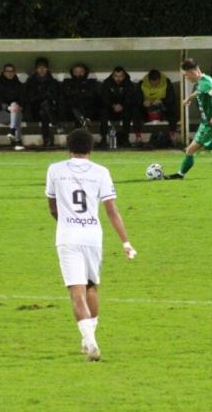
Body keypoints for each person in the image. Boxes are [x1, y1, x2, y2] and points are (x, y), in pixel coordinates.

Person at [45, 128, 136, 362]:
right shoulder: (101, 172)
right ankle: (89, 339)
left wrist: (66, 221)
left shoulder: (55, 170)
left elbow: (53, 206)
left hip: (68, 237)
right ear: (91, 148)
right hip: (93, 236)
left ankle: (90, 341)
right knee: (91, 287)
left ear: (68, 147)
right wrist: (125, 241)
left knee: (76, 293)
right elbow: (111, 210)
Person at [165, 59, 212, 180]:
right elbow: (199, 91)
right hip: (206, 123)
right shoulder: (202, 82)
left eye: (186, 75)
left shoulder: (206, 82)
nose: (186, 77)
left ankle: (180, 174)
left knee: (190, 150)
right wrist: (189, 97)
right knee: (204, 145)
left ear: (192, 72)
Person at [101, 66, 142, 147]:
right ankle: (103, 139)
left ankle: (126, 139)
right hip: (110, 108)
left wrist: (122, 105)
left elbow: (130, 98)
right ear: (113, 76)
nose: (118, 78)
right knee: (103, 111)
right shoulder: (107, 83)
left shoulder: (128, 84)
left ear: (124, 76)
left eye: (120, 76)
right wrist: (113, 105)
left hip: (124, 108)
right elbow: (104, 98)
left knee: (129, 113)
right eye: (116, 76)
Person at [25, 57, 62, 147]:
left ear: (47, 69)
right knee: (43, 107)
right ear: (36, 69)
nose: (42, 70)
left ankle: (46, 139)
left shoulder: (53, 82)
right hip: (35, 110)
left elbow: (57, 97)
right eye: (39, 67)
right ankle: (55, 124)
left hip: (50, 110)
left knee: (44, 110)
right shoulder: (30, 83)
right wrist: (44, 96)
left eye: (44, 67)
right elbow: (30, 98)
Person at [0, 63, 26, 150]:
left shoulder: (19, 85)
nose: (10, 73)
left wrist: (19, 107)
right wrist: (9, 108)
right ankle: (18, 141)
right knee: (17, 114)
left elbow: (22, 100)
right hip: (1, 113)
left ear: (15, 72)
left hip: (15, 112)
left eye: (12, 71)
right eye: (7, 71)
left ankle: (12, 132)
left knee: (15, 107)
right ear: (3, 72)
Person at [139, 69, 178, 143]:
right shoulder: (142, 84)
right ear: (149, 80)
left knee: (173, 108)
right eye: (152, 83)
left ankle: (172, 134)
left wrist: (162, 101)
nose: (154, 85)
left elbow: (171, 97)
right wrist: (143, 102)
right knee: (135, 109)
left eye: (156, 83)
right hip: (146, 109)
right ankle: (138, 137)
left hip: (163, 108)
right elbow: (137, 98)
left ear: (159, 80)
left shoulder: (167, 83)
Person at [61, 63, 99, 129]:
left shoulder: (90, 82)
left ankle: (82, 121)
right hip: (72, 108)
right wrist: (82, 91)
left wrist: (75, 92)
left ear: (85, 72)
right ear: (72, 73)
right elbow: (66, 93)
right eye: (76, 72)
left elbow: (91, 94)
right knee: (74, 106)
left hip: (87, 108)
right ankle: (82, 121)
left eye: (81, 71)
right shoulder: (67, 82)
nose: (78, 74)